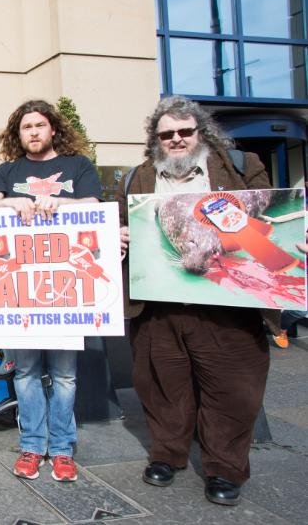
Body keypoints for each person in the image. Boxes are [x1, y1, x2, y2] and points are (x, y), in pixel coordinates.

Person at [116, 95, 271, 506]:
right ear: (155, 140)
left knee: (233, 390)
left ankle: (224, 468)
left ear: (201, 132)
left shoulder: (241, 167)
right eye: (167, 134)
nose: (177, 140)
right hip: (158, 308)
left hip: (227, 306)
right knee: (162, 385)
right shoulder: (135, 179)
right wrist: (119, 236)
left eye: (185, 131)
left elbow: (265, 226)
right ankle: (167, 454)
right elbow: (117, 227)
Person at [0, 99, 102, 482]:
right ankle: (32, 446)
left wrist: (59, 203)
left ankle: (62, 449)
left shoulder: (78, 166)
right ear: (19, 134)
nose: (33, 132)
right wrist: (16, 201)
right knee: (27, 372)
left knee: (65, 376)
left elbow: (93, 205)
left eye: (39, 125)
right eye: (25, 127)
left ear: (52, 129)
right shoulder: (6, 172)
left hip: (65, 290)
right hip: (20, 294)